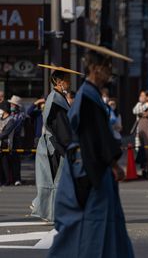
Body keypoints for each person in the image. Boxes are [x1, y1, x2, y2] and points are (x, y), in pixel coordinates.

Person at [48, 39, 134, 257]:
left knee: (101, 226)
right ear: (96, 69)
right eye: (107, 68)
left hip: (91, 166)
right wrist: (114, 163)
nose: (110, 74)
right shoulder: (87, 97)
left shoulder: (90, 95)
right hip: (88, 169)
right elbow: (94, 137)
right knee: (86, 228)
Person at [31, 64, 81, 222]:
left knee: (53, 180)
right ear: (59, 82)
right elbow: (61, 128)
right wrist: (69, 146)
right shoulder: (57, 101)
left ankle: (42, 207)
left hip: (54, 143)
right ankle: (48, 211)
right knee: (53, 181)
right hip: (54, 145)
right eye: (67, 80)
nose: (69, 83)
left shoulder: (55, 98)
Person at [132, 90, 148, 180]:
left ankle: (147, 171)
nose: (141, 97)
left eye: (143, 96)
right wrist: (146, 106)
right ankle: (143, 170)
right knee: (141, 151)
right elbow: (134, 111)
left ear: (147, 97)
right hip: (140, 131)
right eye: (140, 95)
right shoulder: (139, 105)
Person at [8, 95, 26, 186]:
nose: (11, 105)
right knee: (8, 159)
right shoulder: (10, 114)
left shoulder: (21, 115)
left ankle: (17, 178)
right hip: (8, 139)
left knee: (16, 160)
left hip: (16, 139)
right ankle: (9, 178)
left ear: (17, 106)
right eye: (11, 104)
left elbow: (16, 126)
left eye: (13, 104)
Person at [0, 102, 15, 186]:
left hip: (5, 143)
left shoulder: (11, 120)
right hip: (1, 142)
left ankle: (6, 180)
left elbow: (5, 133)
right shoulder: (0, 118)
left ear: (4, 110)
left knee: (5, 162)